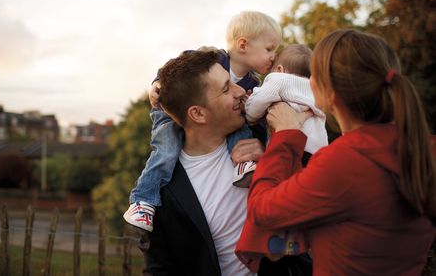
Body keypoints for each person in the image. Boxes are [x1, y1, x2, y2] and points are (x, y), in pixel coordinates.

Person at [243, 29, 436, 275]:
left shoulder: (345, 162)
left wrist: (284, 136)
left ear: (329, 95)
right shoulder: (424, 148)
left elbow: (262, 211)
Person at [124, 11, 281, 232]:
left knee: (242, 128)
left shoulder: (253, 83)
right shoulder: (212, 58)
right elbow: (175, 68)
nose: (274, 56)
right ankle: (143, 199)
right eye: (269, 49)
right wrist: (158, 82)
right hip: (167, 112)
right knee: (165, 151)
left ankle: (242, 163)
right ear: (243, 45)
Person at [139, 50, 266, 275]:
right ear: (198, 113)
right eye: (226, 88)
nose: (240, 91)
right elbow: (159, 268)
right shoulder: (159, 188)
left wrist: (272, 156)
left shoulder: (264, 131)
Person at [235, 44, 328, 271]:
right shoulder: (315, 91)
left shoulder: (278, 79)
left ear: (279, 68)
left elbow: (256, 107)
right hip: (317, 154)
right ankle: (293, 243)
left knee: (276, 199)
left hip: (293, 148)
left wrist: (250, 110)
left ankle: (276, 244)